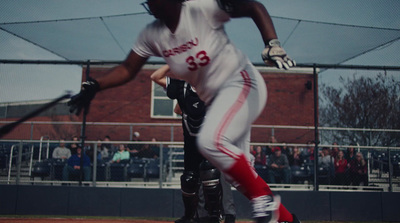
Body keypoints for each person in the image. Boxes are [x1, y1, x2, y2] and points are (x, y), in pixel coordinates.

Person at [68, 0, 298, 222]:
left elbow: (253, 6)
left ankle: (264, 200)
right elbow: (128, 68)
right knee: (235, 173)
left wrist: (272, 43)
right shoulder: (153, 35)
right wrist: (95, 85)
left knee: (210, 142)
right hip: (220, 105)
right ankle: (286, 218)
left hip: (242, 84)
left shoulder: (201, 9)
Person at [151, 65, 236, 223]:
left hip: (215, 142)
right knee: (193, 179)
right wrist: (172, 62)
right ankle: (197, 216)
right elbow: (157, 79)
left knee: (215, 176)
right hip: (193, 143)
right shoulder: (183, 89)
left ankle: (224, 215)